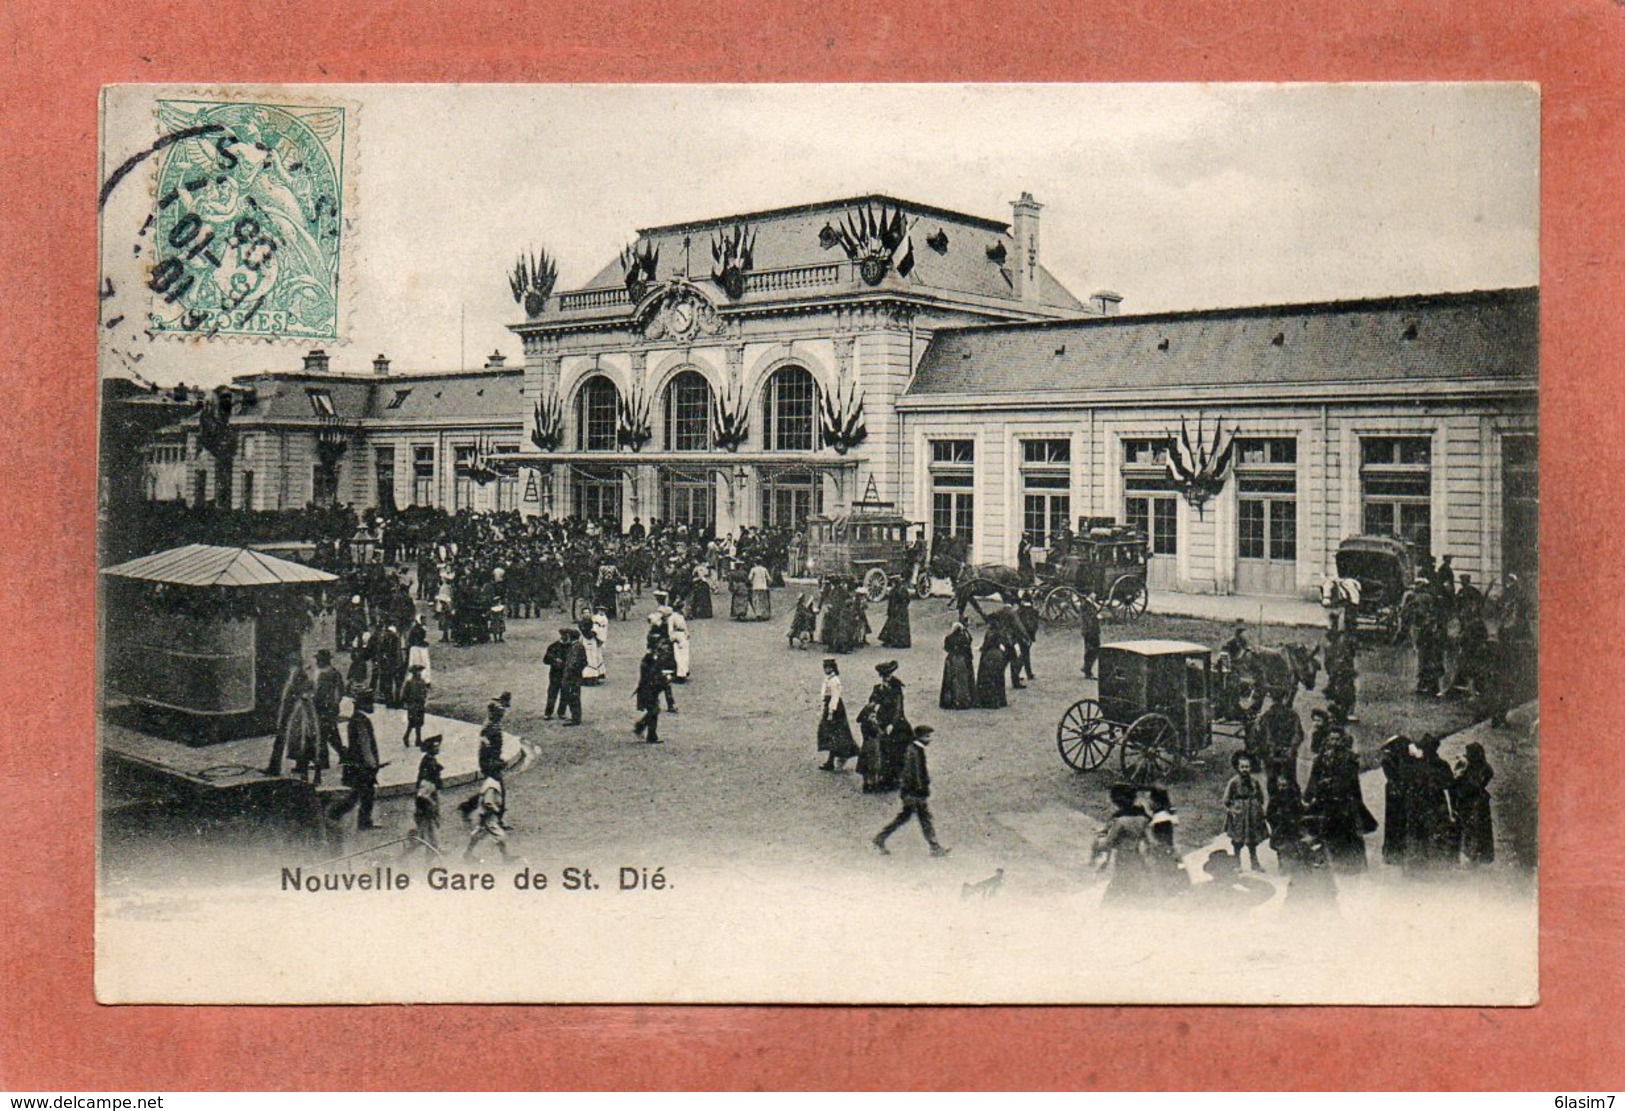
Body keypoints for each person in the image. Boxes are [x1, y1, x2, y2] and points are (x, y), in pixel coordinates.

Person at [872, 725, 949, 857]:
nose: (930, 739)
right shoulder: (914, 751)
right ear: (920, 737)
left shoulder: (915, 749)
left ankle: (880, 838)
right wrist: (920, 790)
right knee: (923, 818)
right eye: (927, 736)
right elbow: (914, 773)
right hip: (915, 793)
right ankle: (934, 847)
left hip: (912, 792)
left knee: (907, 817)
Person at [1304, 728, 1372, 873]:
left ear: (1342, 740)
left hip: (1344, 801)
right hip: (1325, 800)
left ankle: (1350, 865)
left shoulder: (1349, 758)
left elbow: (1352, 782)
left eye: (1337, 739)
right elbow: (1314, 777)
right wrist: (1308, 796)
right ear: (1327, 740)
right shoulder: (1321, 758)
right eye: (1331, 739)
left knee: (1347, 834)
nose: (1334, 742)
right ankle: (1328, 863)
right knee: (1323, 831)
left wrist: (1356, 802)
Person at [1404, 734, 1457, 875]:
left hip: (1418, 803)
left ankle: (1417, 867)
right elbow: (1450, 785)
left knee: (1418, 833)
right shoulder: (1442, 764)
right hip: (1436, 802)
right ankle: (1436, 867)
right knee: (1436, 832)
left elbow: (1409, 783)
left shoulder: (1416, 764)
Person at [329, 694, 382, 831]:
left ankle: (336, 814)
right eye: (370, 703)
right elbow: (365, 745)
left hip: (357, 764)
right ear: (364, 705)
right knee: (364, 794)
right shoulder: (361, 721)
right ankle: (358, 820)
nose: (372, 706)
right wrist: (372, 764)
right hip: (363, 765)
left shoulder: (356, 719)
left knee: (358, 793)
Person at [1093, 783, 1151, 903]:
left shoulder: (1120, 822)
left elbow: (1108, 843)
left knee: (1113, 896)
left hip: (1124, 860)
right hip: (1138, 858)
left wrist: (1098, 841)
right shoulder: (1143, 818)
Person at [857, 660, 907, 793]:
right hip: (880, 720)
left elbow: (898, 708)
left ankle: (893, 778)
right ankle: (875, 778)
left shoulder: (896, 689)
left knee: (895, 747)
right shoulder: (877, 688)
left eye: (887, 676)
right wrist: (872, 706)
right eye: (883, 677)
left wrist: (892, 724)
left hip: (894, 722)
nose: (885, 679)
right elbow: (872, 702)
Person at [265, 653, 312, 777]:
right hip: (287, 712)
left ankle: (294, 767)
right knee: (284, 740)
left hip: (294, 713)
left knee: (295, 740)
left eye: (291, 663)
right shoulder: (291, 675)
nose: (288, 666)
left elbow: (302, 694)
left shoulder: (301, 676)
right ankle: (275, 767)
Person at [1451, 741, 1496, 866]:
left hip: (1471, 804)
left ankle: (1472, 857)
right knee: (1477, 830)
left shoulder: (1472, 769)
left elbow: (1470, 786)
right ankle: (1476, 856)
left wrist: (1461, 773)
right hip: (1478, 803)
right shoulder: (1484, 767)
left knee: (1471, 830)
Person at [1223, 751, 1268, 872]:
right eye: (1242, 767)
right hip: (1239, 815)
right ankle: (1238, 864)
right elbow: (1226, 799)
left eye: (1247, 767)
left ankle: (1255, 863)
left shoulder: (1254, 781)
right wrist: (1234, 809)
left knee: (1252, 840)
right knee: (1238, 840)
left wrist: (1258, 809)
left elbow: (1260, 797)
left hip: (1252, 814)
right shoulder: (1233, 782)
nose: (1245, 770)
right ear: (1237, 768)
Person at [308, 648, 346, 787]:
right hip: (319, 708)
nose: (317, 661)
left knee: (323, 734)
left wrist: (333, 705)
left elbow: (339, 691)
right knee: (330, 733)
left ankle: (324, 762)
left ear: (325, 660)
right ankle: (342, 753)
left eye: (319, 659)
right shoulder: (319, 672)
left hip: (327, 708)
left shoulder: (333, 673)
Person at [405, 733, 443, 857]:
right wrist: (432, 802)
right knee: (430, 824)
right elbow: (423, 791)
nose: (438, 748)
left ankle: (419, 839)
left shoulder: (429, 759)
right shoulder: (429, 764)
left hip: (428, 795)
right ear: (430, 749)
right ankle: (434, 849)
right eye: (435, 747)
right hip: (427, 798)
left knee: (426, 824)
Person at [817, 658, 858, 771]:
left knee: (833, 734)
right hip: (830, 707)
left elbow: (835, 696)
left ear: (832, 668)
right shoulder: (829, 678)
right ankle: (832, 760)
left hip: (834, 710)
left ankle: (831, 761)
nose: (826, 669)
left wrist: (831, 712)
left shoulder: (834, 680)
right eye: (825, 667)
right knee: (833, 734)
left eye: (828, 667)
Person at [1379, 734, 1414, 866]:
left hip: (1395, 792)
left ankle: (1394, 852)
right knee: (1397, 820)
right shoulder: (1391, 761)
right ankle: (1395, 852)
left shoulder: (1391, 759)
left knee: (1395, 821)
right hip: (1397, 792)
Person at [1146, 785, 1188, 894]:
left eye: (1150, 800)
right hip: (1168, 850)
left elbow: (1163, 839)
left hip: (1163, 852)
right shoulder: (1165, 815)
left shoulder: (1161, 819)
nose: (1148, 803)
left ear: (1157, 802)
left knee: (1165, 877)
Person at [463, 767, 510, 863]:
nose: (502, 773)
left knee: (478, 834)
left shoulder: (489, 781)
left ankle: (468, 853)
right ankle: (484, 855)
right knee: (499, 835)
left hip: (482, 814)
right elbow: (488, 802)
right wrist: (496, 809)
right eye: (500, 771)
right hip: (487, 815)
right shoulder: (493, 785)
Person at [633, 645, 671, 744]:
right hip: (648, 690)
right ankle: (645, 731)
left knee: (654, 710)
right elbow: (652, 676)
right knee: (654, 710)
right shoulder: (651, 660)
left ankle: (646, 731)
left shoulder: (651, 659)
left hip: (649, 689)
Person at [938, 622, 976, 710]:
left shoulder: (949, 637)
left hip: (952, 660)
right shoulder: (964, 637)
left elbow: (946, 648)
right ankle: (964, 700)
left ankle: (952, 700)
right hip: (962, 660)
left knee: (952, 681)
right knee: (963, 681)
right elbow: (970, 641)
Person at [558, 627, 587, 726]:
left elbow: (572, 663)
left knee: (573, 697)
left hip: (572, 678)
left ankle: (575, 719)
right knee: (574, 696)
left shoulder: (575, 647)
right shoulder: (577, 646)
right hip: (575, 676)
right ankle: (575, 717)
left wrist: (569, 675)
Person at [974, 627, 1008, 709]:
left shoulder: (989, 633)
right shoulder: (1001, 632)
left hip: (989, 657)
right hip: (999, 656)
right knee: (998, 678)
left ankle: (988, 701)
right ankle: (1000, 700)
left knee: (988, 679)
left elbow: (986, 645)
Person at [542, 627, 570, 720]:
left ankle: (561, 712)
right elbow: (546, 660)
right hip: (555, 673)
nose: (566, 637)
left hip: (566, 673)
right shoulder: (553, 646)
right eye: (564, 635)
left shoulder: (571, 647)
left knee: (565, 693)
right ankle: (548, 712)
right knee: (552, 693)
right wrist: (555, 660)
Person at [877, 576, 913, 649]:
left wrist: (890, 611)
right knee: (902, 627)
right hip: (903, 611)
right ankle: (903, 642)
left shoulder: (893, 591)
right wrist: (904, 606)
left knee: (893, 626)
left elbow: (891, 603)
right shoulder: (904, 590)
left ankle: (891, 641)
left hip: (895, 611)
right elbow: (908, 600)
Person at [401, 662, 429, 748]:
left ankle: (414, 738)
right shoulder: (410, 682)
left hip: (420, 704)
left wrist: (424, 701)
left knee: (419, 722)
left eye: (420, 671)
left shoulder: (422, 682)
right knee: (413, 722)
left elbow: (424, 693)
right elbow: (405, 694)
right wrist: (406, 703)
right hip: (413, 704)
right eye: (417, 671)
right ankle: (414, 738)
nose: (419, 673)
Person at [1079, 591, 1102, 679]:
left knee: (1091, 649)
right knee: (1093, 649)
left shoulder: (1088, 604)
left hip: (1091, 630)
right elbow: (1089, 619)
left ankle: (1086, 668)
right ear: (1089, 595)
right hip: (1091, 631)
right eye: (1093, 593)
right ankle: (1087, 669)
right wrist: (1097, 617)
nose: (1095, 595)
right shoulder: (1087, 605)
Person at [668, 603, 691, 682]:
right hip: (677, 635)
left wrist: (687, 633)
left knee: (685, 655)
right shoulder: (672, 617)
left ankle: (685, 671)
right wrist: (673, 638)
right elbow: (670, 629)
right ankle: (680, 674)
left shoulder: (681, 616)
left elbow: (685, 627)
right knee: (678, 656)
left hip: (683, 636)